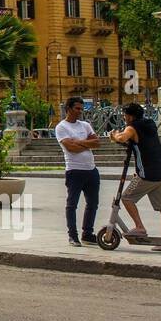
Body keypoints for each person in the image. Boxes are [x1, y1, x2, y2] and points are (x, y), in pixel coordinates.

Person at [109, 102, 161, 251]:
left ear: (130, 116)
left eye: (125, 115)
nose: (124, 118)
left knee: (126, 198)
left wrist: (114, 135)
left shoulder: (132, 127)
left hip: (148, 174)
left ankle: (139, 227)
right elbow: (141, 145)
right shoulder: (150, 124)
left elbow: (122, 138)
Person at [55, 96, 102, 247]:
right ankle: (72, 236)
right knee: (72, 204)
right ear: (68, 108)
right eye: (77, 108)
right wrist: (85, 143)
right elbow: (71, 148)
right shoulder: (61, 127)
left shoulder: (85, 125)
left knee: (92, 204)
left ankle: (87, 234)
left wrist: (78, 142)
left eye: (82, 109)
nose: (80, 112)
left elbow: (97, 143)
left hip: (91, 170)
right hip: (74, 170)